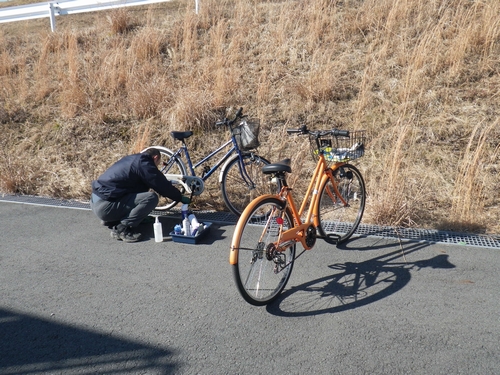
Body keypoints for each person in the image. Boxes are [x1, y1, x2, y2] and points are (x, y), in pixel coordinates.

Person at [90, 148, 190, 242]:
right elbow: (161, 185)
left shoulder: (131, 159)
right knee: (151, 198)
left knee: (140, 192)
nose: (156, 167)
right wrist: (179, 197)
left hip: (95, 201)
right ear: (155, 158)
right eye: (157, 164)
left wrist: (140, 215)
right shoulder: (144, 163)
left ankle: (112, 219)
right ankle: (122, 229)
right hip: (105, 207)